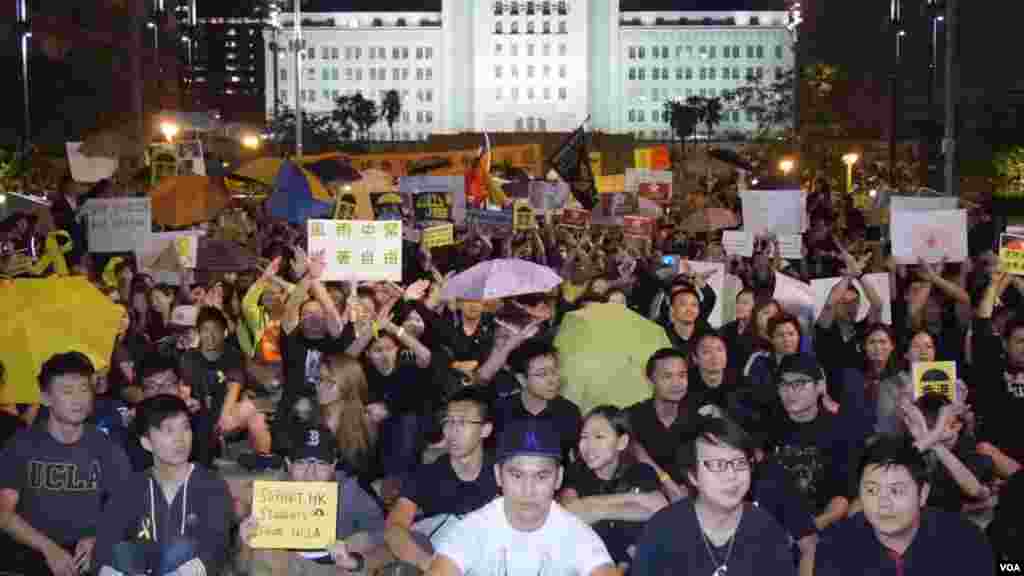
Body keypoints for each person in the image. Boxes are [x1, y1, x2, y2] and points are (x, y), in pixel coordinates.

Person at [426, 418, 617, 576]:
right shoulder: (472, 530)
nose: (528, 490)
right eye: (517, 475)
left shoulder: (577, 536)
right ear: (498, 475)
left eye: (541, 476)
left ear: (558, 478)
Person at [0, 352, 132, 576]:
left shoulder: (107, 447)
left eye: (84, 389)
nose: (78, 399)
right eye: (67, 391)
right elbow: (4, 513)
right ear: (45, 398)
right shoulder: (21, 445)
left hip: (88, 554)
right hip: (31, 552)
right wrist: (48, 548)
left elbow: (125, 506)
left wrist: (99, 538)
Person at [631, 416, 796, 575]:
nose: (732, 475)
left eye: (740, 463)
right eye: (718, 465)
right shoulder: (662, 530)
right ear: (693, 476)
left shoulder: (766, 530)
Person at [814, 435, 994, 575]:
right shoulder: (834, 548)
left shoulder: (965, 541)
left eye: (896, 491)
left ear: (922, 494)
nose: (883, 503)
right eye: (872, 490)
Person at [94, 394, 233, 576]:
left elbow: (216, 548)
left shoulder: (212, 486)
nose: (180, 439)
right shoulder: (131, 488)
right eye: (168, 431)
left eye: (185, 428)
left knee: (183, 548)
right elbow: (103, 548)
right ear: (146, 442)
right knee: (122, 551)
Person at [239, 423, 387, 576]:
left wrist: (354, 561)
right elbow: (242, 566)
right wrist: (245, 544)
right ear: (289, 464)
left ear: (333, 466)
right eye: (302, 463)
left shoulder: (351, 493)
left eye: (321, 464)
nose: (310, 474)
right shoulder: (270, 497)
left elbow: (385, 542)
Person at [384, 387, 500, 571]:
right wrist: (431, 566)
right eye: (448, 422)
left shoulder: (505, 472)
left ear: (485, 430)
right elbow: (394, 529)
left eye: (463, 423)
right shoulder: (428, 474)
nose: (453, 431)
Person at [559, 406, 667, 570]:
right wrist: (635, 500)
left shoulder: (641, 472)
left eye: (599, 437)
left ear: (622, 442)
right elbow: (570, 514)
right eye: (584, 437)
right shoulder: (575, 472)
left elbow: (660, 508)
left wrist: (595, 509)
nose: (589, 446)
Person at [764, 353, 858, 532]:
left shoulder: (840, 430)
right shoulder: (766, 428)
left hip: (822, 524)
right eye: (784, 384)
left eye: (799, 383)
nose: (790, 392)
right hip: (773, 526)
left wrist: (812, 527)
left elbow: (844, 494)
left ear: (819, 386)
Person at [180, 306, 275, 467]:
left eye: (216, 330)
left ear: (224, 332)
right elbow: (184, 389)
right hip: (200, 417)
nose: (210, 335)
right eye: (205, 330)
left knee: (255, 413)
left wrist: (225, 416)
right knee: (253, 411)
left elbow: (234, 387)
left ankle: (263, 460)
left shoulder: (232, 355)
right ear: (199, 332)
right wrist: (187, 401)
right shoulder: (189, 357)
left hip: (226, 414)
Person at [492, 340, 582, 462]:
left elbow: (579, 458)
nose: (552, 380)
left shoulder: (569, 412)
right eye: (542, 374)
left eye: (554, 371)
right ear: (521, 379)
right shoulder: (500, 411)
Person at [628, 348, 699, 501]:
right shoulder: (632, 417)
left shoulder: (696, 420)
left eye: (682, 375)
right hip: (643, 500)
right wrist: (666, 482)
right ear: (650, 380)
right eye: (667, 376)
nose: (677, 383)